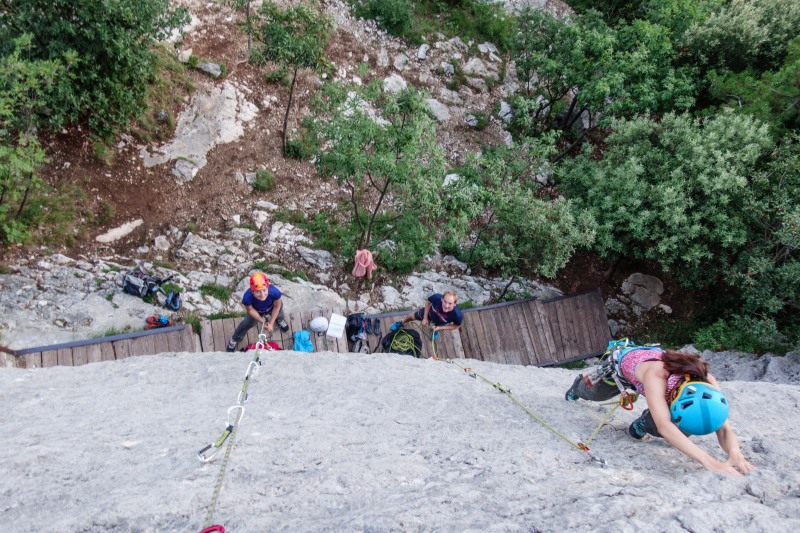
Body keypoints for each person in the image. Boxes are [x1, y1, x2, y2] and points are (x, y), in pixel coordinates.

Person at [565, 346, 755, 476]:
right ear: (673, 395)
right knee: (595, 394)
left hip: (661, 384)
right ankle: (577, 387)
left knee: (683, 423)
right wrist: (709, 462)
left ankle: (643, 423)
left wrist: (735, 453)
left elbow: (723, 427)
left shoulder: (708, 382)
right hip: (623, 370)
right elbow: (664, 425)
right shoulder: (657, 374)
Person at [226, 272, 289, 352]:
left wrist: (271, 323)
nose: (262, 294)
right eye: (258, 291)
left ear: (267, 287)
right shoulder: (247, 297)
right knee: (246, 324)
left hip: (272, 307)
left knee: (279, 313)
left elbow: (277, 307)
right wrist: (263, 322)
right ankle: (235, 339)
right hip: (256, 310)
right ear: (252, 291)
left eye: (264, 290)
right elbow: (250, 310)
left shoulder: (275, 292)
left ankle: (280, 321)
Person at [391, 290, 463, 341]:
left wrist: (440, 328)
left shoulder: (457, 315)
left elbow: (456, 326)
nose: (446, 305)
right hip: (429, 313)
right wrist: (425, 318)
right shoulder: (436, 298)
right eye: (445, 302)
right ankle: (401, 323)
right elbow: (428, 302)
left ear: (454, 304)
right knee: (412, 316)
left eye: (450, 303)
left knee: (435, 328)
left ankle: (435, 331)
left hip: (440, 323)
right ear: (442, 299)